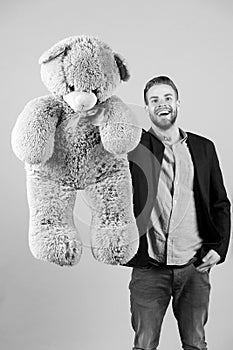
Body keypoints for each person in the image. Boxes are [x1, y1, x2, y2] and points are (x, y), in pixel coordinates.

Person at [125, 76, 231, 350]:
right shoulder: (133, 149)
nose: (162, 104)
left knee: (195, 344)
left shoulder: (203, 148)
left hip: (194, 266)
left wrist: (219, 248)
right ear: (147, 108)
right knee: (144, 345)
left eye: (167, 98)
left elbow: (220, 203)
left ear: (178, 103)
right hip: (149, 267)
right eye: (155, 100)